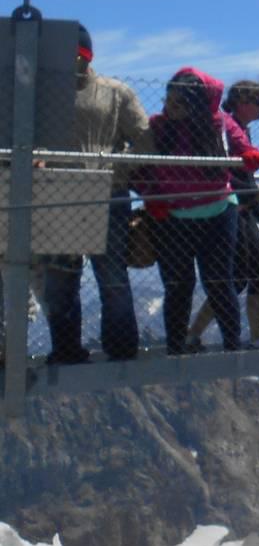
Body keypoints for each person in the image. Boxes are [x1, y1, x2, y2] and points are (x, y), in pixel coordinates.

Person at [39, 24, 151, 363]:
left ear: (88, 57)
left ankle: (121, 347)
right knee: (61, 280)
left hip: (108, 194)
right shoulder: (45, 94)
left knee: (111, 276)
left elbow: (146, 139)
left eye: (79, 57)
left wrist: (118, 168)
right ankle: (67, 349)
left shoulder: (116, 92)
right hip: (60, 194)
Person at [133, 68, 259, 354]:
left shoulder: (219, 123)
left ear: (196, 103)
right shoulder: (158, 127)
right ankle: (176, 347)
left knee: (218, 281)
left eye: (178, 102)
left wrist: (247, 154)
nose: (170, 107)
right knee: (178, 285)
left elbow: (239, 142)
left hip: (217, 212)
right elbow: (138, 169)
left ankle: (232, 345)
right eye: (168, 100)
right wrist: (151, 197)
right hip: (172, 217)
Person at [188, 75, 259, 349]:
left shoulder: (240, 130)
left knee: (254, 276)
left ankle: (254, 337)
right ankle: (194, 334)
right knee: (237, 279)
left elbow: (242, 176)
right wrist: (253, 195)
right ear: (242, 102)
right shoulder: (227, 128)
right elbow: (224, 174)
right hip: (231, 211)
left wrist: (258, 209)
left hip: (243, 210)